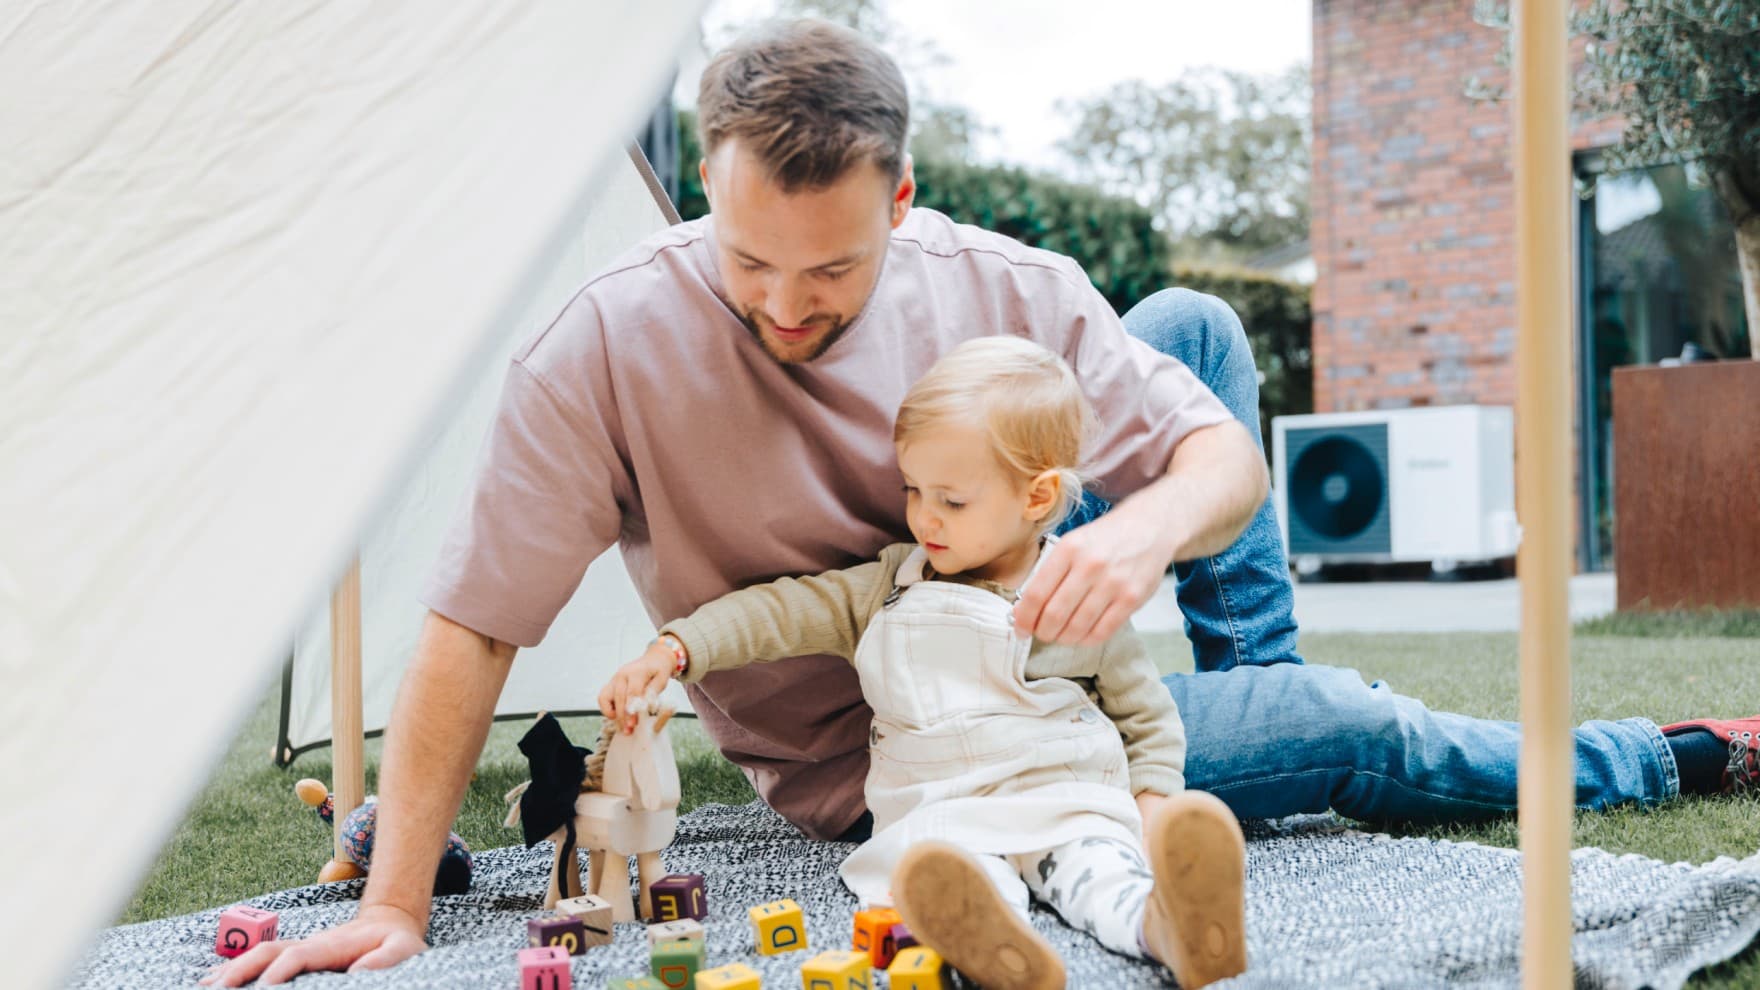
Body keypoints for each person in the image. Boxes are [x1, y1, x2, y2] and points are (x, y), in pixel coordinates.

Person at [205, 18, 1757, 987]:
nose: (782, 305)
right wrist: (398, 901)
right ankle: (1658, 751)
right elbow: (472, 625)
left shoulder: (998, 283)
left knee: (1194, 337)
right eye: (745, 263)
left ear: (898, 199)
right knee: (1349, 723)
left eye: (829, 271)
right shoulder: (604, 346)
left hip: (1050, 637)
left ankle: (1233, 705)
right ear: (715, 195)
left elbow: (1223, 466)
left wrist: (1135, 530)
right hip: (909, 745)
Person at [600, 336, 1247, 990]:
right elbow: (780, 613)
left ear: (1036, 497)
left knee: (1103, 876)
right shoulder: (890, 584)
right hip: (938, 811)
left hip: (1064, 800)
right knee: (941, 878)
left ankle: (1168, 928)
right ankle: (1000, 949)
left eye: (952, 500)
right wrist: (677, 648)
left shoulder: (1076, 588)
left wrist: (1155, 802)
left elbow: (1144, 713)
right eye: (913, 489)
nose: (923, 517)